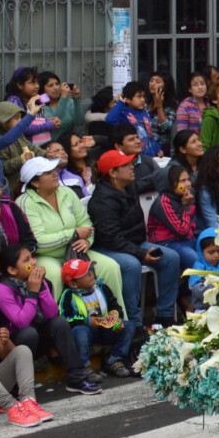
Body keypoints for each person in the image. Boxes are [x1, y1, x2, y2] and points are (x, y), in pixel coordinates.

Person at [88, 149, 182, 331]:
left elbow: (157, 179)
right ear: (113, 173)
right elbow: (111, 238)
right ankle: (135, 323)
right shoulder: (102, 200)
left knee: (171, 257)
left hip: (133, 243)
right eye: (126, 165)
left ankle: (165, 315)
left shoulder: (130, 186)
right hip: (109, 247)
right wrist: (141, 254)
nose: (133, 167)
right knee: (132, 265)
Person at [0, 240, 100, 395]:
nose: (33, 263)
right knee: (29, 333)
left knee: (59, 323)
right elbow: (21, 322)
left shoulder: (38, 281)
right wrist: (33, 292)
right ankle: (17, 386)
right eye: (26, 260)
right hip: (14, 344)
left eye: (32, 258)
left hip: (38, 338)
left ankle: (77, 377)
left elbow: (51, 313)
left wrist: (41, 286)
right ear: (12, 270)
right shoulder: (1, 290)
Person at [16, 155, 124, 305]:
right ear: (34, 182)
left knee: (110, 267)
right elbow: (38, 242)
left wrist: (87, 241)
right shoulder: (25, 202)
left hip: (77, 251)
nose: (55, 174)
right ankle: (60, 324)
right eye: (48, 173)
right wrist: (73, 234)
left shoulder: (66, 192)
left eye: (54, 170)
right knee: (53, 273)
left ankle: (117, 320)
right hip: (47, 256)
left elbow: (85, 223)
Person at [57, 257, 134, 379]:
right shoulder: (68, 296)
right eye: (85, 274)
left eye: (90, 271)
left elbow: (116, 307)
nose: (91, 274)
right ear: (73, 283)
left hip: (105, 329)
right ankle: (83, 368)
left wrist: (116, 320)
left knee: (129, 326)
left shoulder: (102, 287)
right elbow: (64, 319)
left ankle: (114, 361)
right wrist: (86, 321)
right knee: (80, 332)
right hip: (87, 332)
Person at [147, 163, 202, 287]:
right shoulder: (163, 202)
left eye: (188, 179)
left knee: (212, 251)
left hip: (186, 239)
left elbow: (188, 228)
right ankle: (194, 298)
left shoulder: (187, 194)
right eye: (182, 181)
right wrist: (186, 206)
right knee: (196, 261)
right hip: (167, 243)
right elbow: (181, 231)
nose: (187, 184)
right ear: (170, 184)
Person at [3, 67, 58, 149]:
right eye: (32, 83)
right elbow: (21, 128)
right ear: (19, 85)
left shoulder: (35, 100)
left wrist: (49, 121)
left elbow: (37, 122)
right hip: (26, 150)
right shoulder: (14, 101)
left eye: (37, 83)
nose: (37, 86)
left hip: (43, 147)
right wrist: (49, 125)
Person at [105, 81, 161, 157]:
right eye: (139, 96)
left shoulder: (144, 113)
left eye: (143, 97)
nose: (143, 100)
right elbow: (110, 120)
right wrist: (121, 102)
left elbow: (149, 134)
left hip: (150, 155)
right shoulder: (123, 113)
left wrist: (157, 148)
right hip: (133, 156)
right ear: (128, 99)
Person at [50, 132, 94, 198]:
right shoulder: (69, 176)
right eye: (76, 145)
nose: (82, 145)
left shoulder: (94, 164)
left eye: (80, 141)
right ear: (68, 151)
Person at [145, 71, 176, 152]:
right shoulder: (145, 102)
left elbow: (165, 127)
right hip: (145, 146)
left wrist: (159, 106)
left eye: (157, 82)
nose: (153, 84)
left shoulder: (171, 105)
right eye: (151, 81)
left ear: (165, 86)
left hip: (162, 148)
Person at [175, 71, 209, 136]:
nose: (200, 87)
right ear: (189, 89)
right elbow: (182, 133)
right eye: (196, 85)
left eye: (202, 84)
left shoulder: (210, 103)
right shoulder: (184, 107)